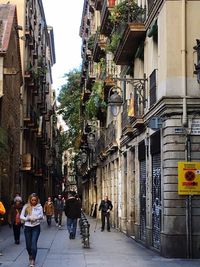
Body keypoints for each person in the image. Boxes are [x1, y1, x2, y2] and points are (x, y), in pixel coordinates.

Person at [20, 193, 43, 267]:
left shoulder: (39, 207)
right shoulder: (26, 206)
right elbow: (21, 216)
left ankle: (33, 260)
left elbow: (41, 216)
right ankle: (30, 254)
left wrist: (36, 218)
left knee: (33, 244)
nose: (33, 201)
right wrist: (27, 218)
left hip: (36, 227)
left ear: (37, 200)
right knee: (28, 246)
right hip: (27, 227)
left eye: (35, 200)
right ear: (30, 200)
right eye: (32, 200)